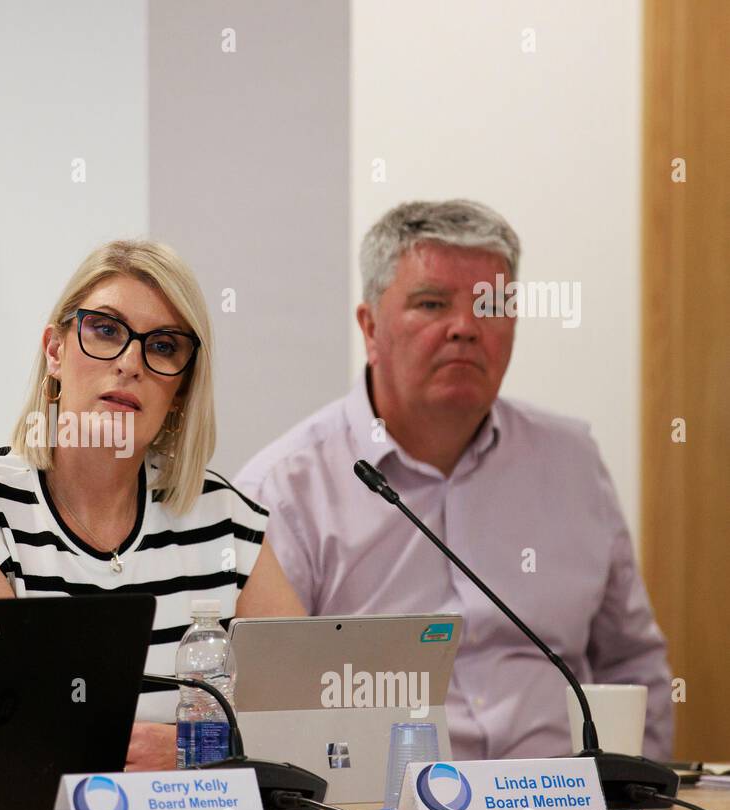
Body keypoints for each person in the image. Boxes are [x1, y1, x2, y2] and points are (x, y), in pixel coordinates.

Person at [236, 199, 673, 761]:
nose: (465, 328)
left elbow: (632, 665)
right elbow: (272, 716)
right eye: (432, 304)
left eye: (490, 306)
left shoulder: (572, 461)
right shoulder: (285, 490)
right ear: (370, 328)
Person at [0, 239, 305, 772]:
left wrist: (190, 752)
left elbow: (304, 716)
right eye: (105, 330)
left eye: (164, 346)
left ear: (182, 389)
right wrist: (207, 748)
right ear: (55, 351)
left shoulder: (225, 520)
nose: (130, 363)